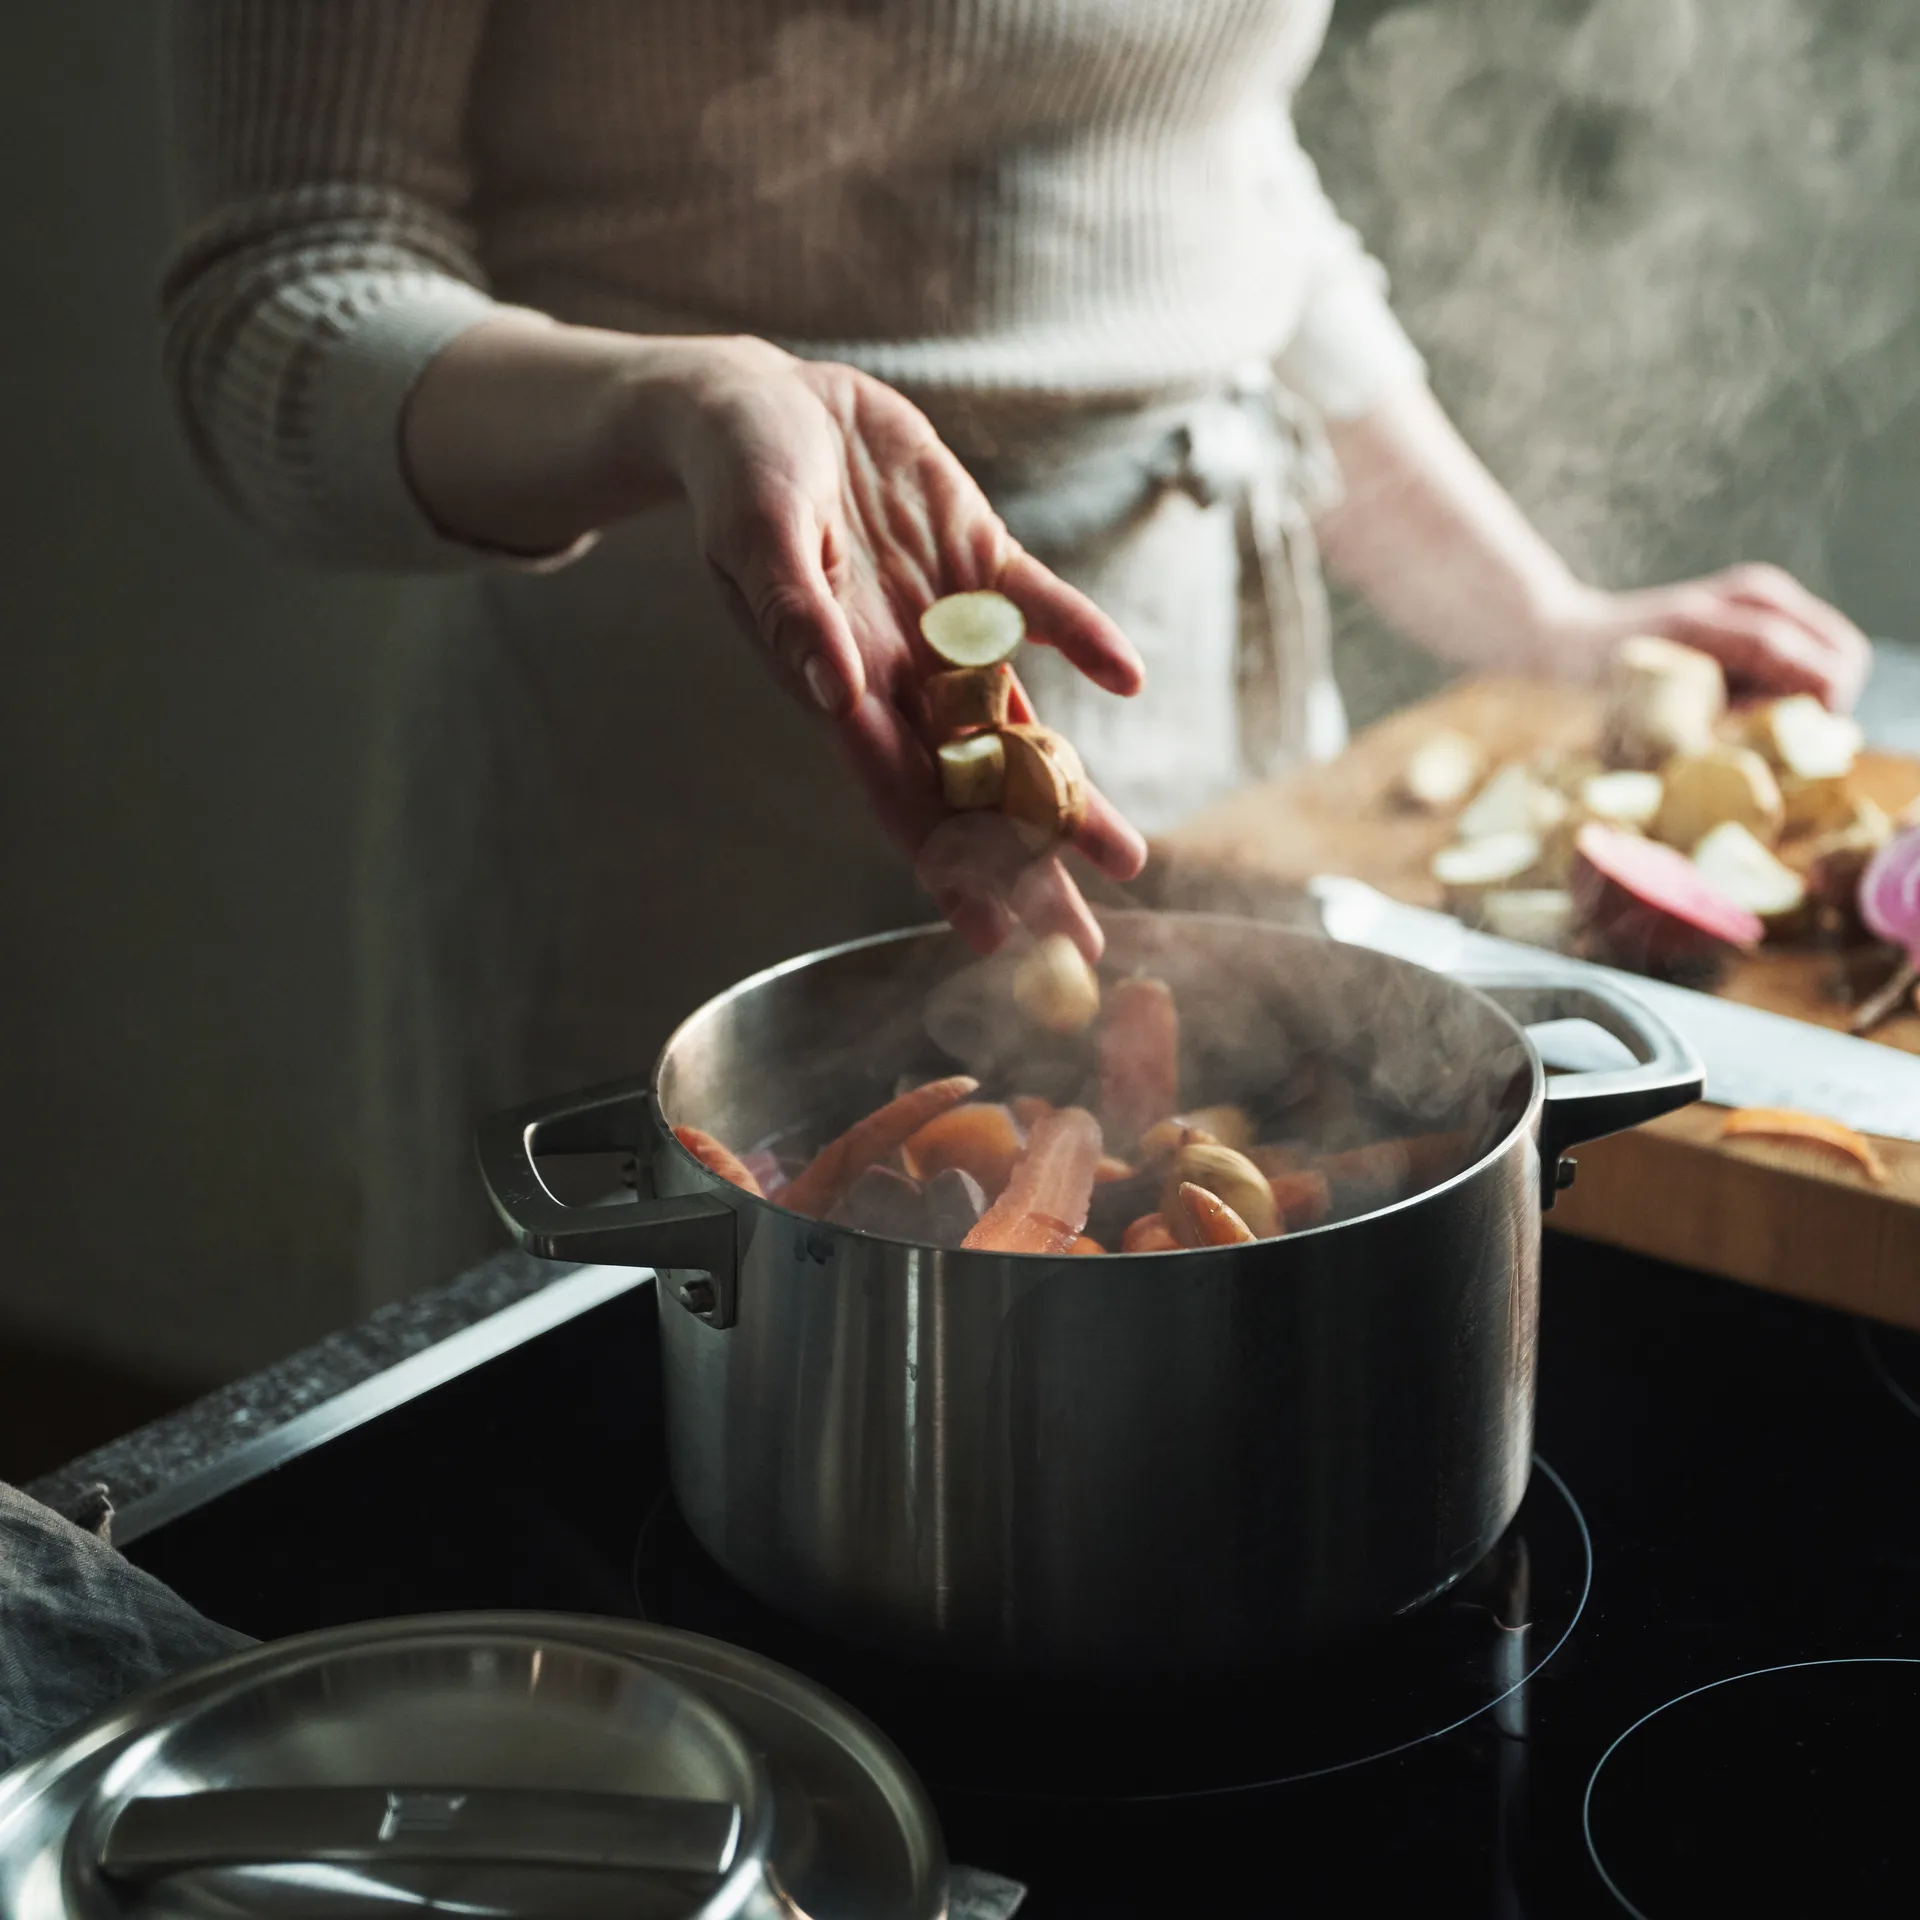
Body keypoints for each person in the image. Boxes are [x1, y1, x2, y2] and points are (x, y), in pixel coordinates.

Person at [162, 2, 1869, 1302]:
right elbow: (284, 290)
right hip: (677, 786)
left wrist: (1535, 617)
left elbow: (1210, 165)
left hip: (1200, 738)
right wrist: (678, 395)